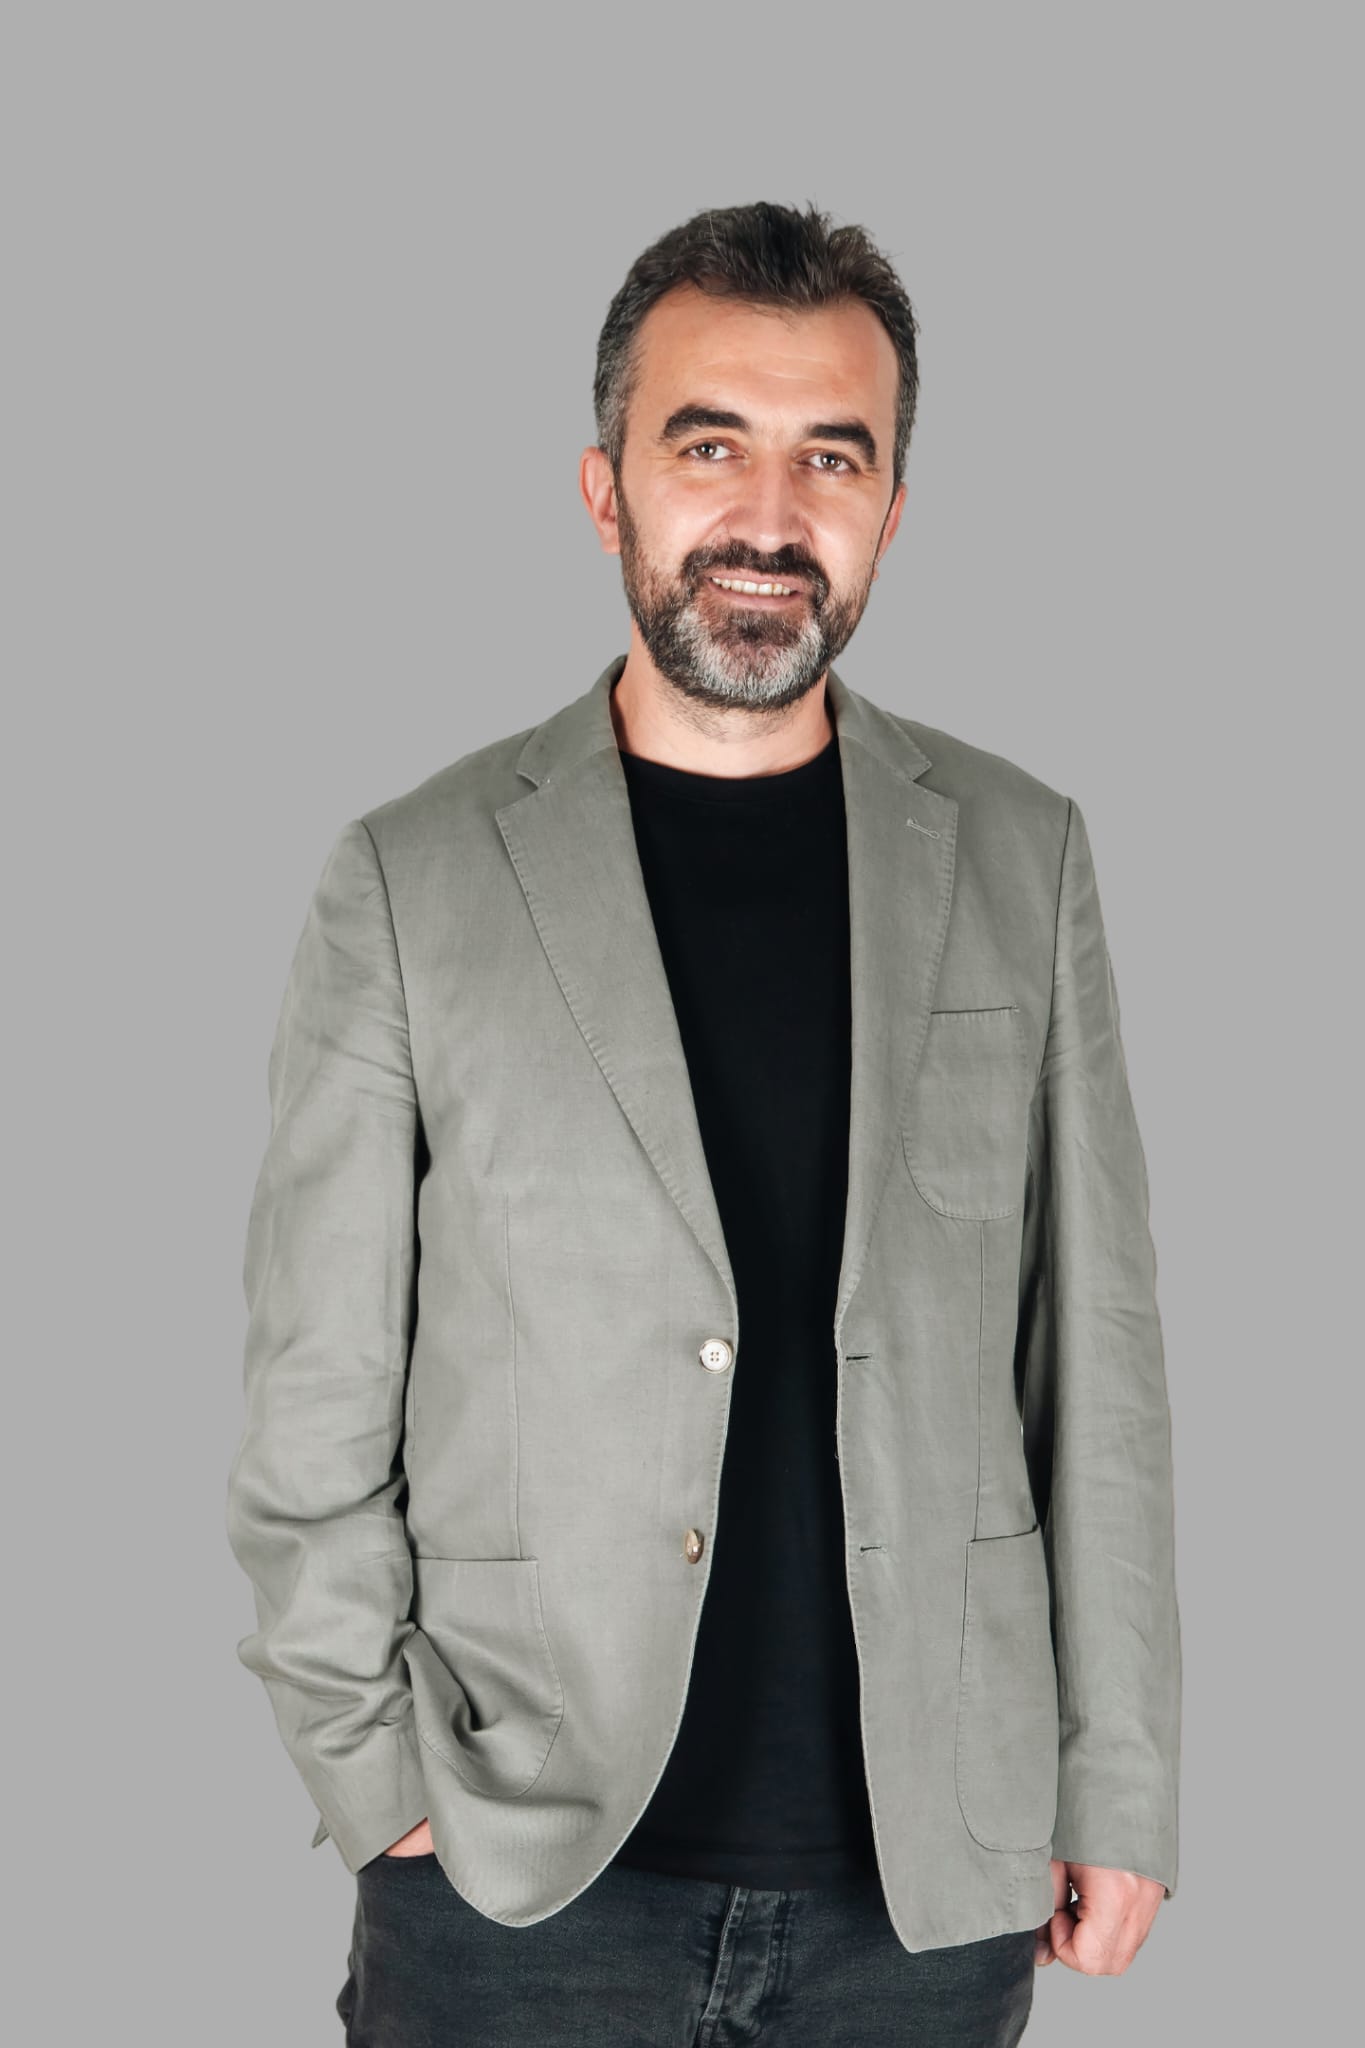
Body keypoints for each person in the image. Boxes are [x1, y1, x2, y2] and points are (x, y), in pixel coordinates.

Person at [226, 200, 1181, 2045]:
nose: (767, 514)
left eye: (831, 456)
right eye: (707, 445)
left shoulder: (1019, 853)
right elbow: (312, 1398)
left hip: (926, 1885)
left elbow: (1099, 1367)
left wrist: (1116, 1778)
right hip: (515, 1870)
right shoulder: (413, 878)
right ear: (606, 492)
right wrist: (374, 1775)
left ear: (891, 507)